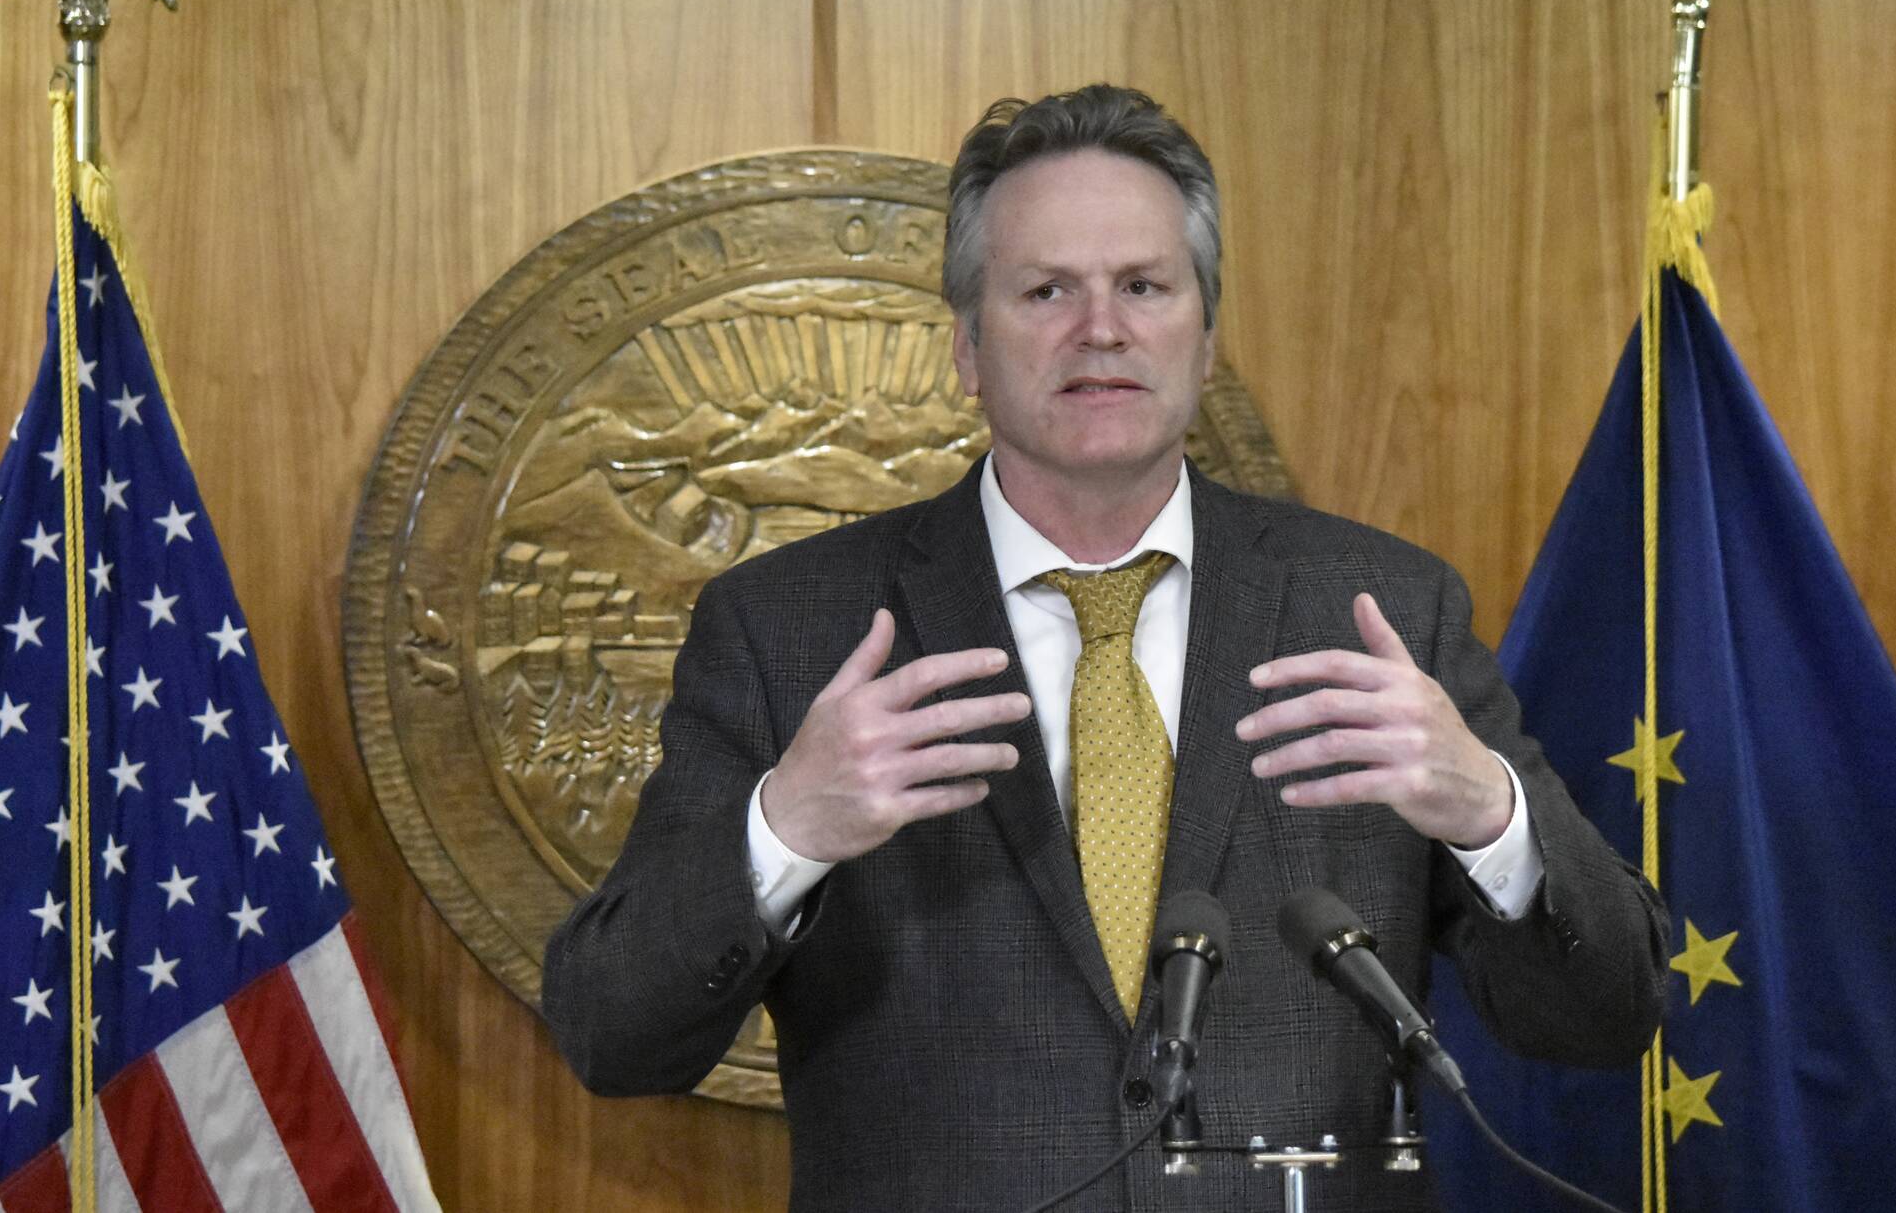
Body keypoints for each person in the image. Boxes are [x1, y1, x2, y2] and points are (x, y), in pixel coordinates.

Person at [543, 85, 1669, 1212]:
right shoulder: (791, 629)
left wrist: (1490, 815)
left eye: (1142, 286)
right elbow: (610, 1034)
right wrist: (786, 831)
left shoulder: (1378, 611)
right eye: (1045, 292)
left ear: (1206, 337)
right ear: (967, 350)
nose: (1101, 330)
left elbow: (1608, 1013)